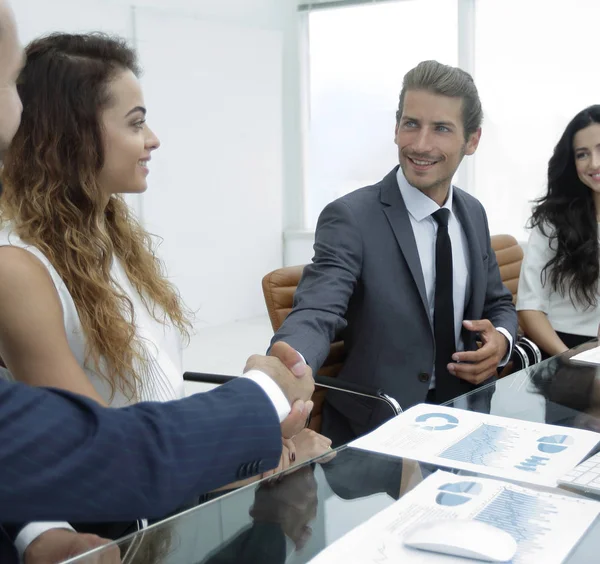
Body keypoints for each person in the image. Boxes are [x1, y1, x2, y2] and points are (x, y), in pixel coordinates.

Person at [0, 1, 315, 561]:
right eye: (136, 121)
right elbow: (100, 453)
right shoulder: (18, 268)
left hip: (163, 499)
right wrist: (256, 414)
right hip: (120, 525)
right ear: (72, 137)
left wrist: (256, 442)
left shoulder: (110, 234)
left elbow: (151, 397)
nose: (154, 139)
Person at [271, 60, 518, 446]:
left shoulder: (472, 212)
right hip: (378, 430)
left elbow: (497, 302)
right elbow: (318, 310)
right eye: (411, 123)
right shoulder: (351, 218)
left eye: (441, 129)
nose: (420, 145)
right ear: (396, 126)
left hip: (467, 417)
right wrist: (285, 364)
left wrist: (501, 341)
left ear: (472, 141)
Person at [517, 106, 600, 358]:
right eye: (582, 154)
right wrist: (570, 359)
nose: (594, 163)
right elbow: (529, 307)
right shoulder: (552, 222)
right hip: (563, 350)